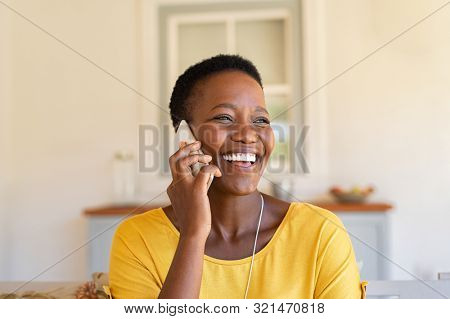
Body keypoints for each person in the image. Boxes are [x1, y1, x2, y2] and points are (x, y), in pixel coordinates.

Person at [108, 54, 366, 299]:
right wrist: (193, 234)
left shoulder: (321, 232)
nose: (248, 134)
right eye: (224, 118)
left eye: (261, 120)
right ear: (185, 137)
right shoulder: (136, 238)